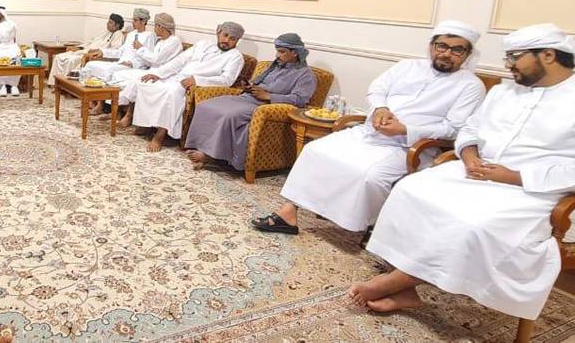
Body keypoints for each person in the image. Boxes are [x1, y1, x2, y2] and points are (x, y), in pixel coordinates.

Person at [350, 23, 575, 320]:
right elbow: (470, 129)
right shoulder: (504, 93)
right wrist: (469, 156)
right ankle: (405, 280)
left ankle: (400, 282)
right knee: (410, 190)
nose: (508, 66)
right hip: (476, 171)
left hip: (534, 189)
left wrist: (510, 176)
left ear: (547, 55)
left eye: (514, 58)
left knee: (472, 223)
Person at [252, 21, 486, 236]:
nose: (446, 53)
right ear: (432, 46)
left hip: (410, 144)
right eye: (441, 45)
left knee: (370, 176)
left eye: (457, 50)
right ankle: (288, 213)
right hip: (370, 131)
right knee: (315, 151)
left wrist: (405, 129)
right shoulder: (407, 66)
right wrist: (381, 108)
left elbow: (453, 129)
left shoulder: (470, 86)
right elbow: (377, 89)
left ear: (466, 55)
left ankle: (369, 227)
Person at [186, 33, 318, 172]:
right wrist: (250, 87)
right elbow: (261, 83)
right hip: (248, 98)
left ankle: (209, 156)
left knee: (229, 115)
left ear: (295, 53)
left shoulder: (306, 75)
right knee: (205, 106)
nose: (278, 55)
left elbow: (300, 100)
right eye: (277, 51)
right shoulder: (276, 66)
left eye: (282, 52)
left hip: (266, 106)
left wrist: (269, 96)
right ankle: (200, 146)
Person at [132, 22, 245, 152]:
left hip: (196, 85)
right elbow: (180, 60)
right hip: (178, 76)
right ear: (218, 33)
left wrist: (197, 80)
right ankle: (147, 125)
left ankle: (160, 134)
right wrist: (158, 74)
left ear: (237, 40)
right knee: (146, 84)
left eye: (232, 39)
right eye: (225, 35)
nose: (227, 41)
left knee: (173, 92)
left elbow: (227, 80)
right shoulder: (203, 44)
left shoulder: (236, 57)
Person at [107, 13, 184, 124]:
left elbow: (157, 59)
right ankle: (116, 111)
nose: (154, 29)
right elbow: (152, 60)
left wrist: (141, 49)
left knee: (137, 82)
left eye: (156, 26)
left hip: (164, 75)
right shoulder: (161, 41)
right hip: (152, 70)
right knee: (120, 76)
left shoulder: (174, 41)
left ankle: (129, 115)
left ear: (161, 27)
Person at [47, 14, 126, 86]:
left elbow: (114, 50)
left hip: (93, 55)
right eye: (108, 22)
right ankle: (56, 83)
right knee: (59, 57)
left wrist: (99, 51)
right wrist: (79, 47)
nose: (107, 24)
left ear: (117, 25)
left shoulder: (118, 34)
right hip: (84, 51)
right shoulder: (105, 32)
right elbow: (90, 42)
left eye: (110, 22)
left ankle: (66, 86)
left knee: (70, 60)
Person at [84, 8, 156, 82]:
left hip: (133, 67)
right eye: (133, 20)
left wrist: (132, 63)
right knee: (90, 65)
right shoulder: (131, 34)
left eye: (135, 20)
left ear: (143, 21)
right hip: (120, 63)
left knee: (108, 70)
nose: (133, 22)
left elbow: (148, 59)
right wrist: (103, 52)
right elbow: (120, 52)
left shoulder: (149, 36)